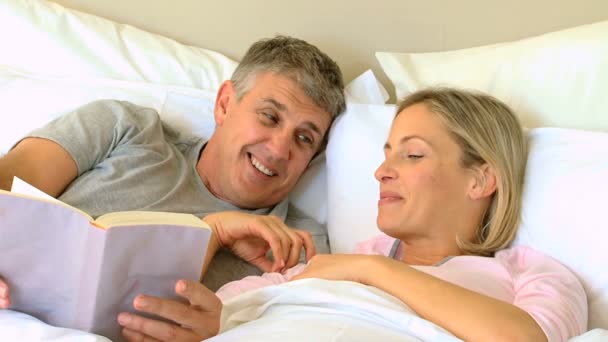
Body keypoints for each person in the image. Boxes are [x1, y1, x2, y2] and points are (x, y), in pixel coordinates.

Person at [130, 87, 586, 341]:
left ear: (481, 179)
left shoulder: (531, 275)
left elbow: (526, 341)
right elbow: (225, 309)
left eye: (412, 156)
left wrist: (371, 271)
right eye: (387, 154)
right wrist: (212, 321)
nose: (381, 172)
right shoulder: (331, 262)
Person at [0, 35, 346, 340]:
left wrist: (222, 332)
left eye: (304, 138)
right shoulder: (126, 129)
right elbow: (8, 183)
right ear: (225, 103)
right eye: (269, 117)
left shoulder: (299, 246)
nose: (279, 150)